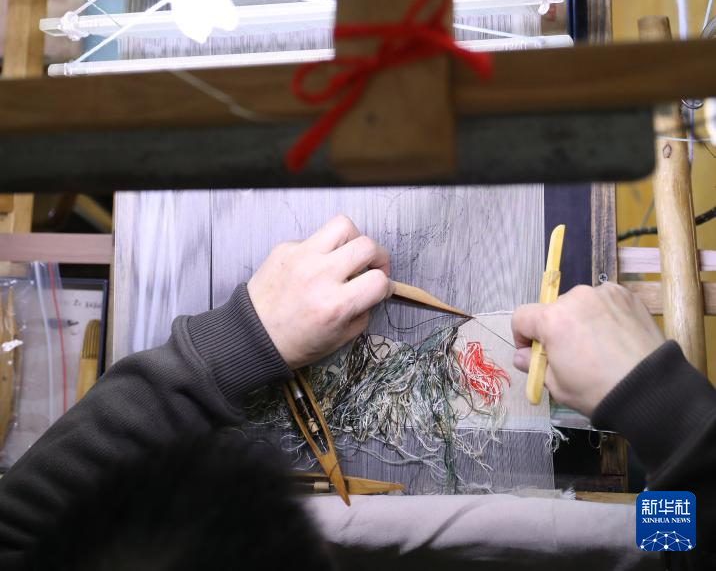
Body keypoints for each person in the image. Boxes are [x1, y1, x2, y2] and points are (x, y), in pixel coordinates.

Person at [0, 215, 713, 569]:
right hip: (656, 485)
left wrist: (244, 338)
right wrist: (664, 408)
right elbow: (688, 536)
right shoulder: (662, 529)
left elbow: (17, 526)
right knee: (651, 520)